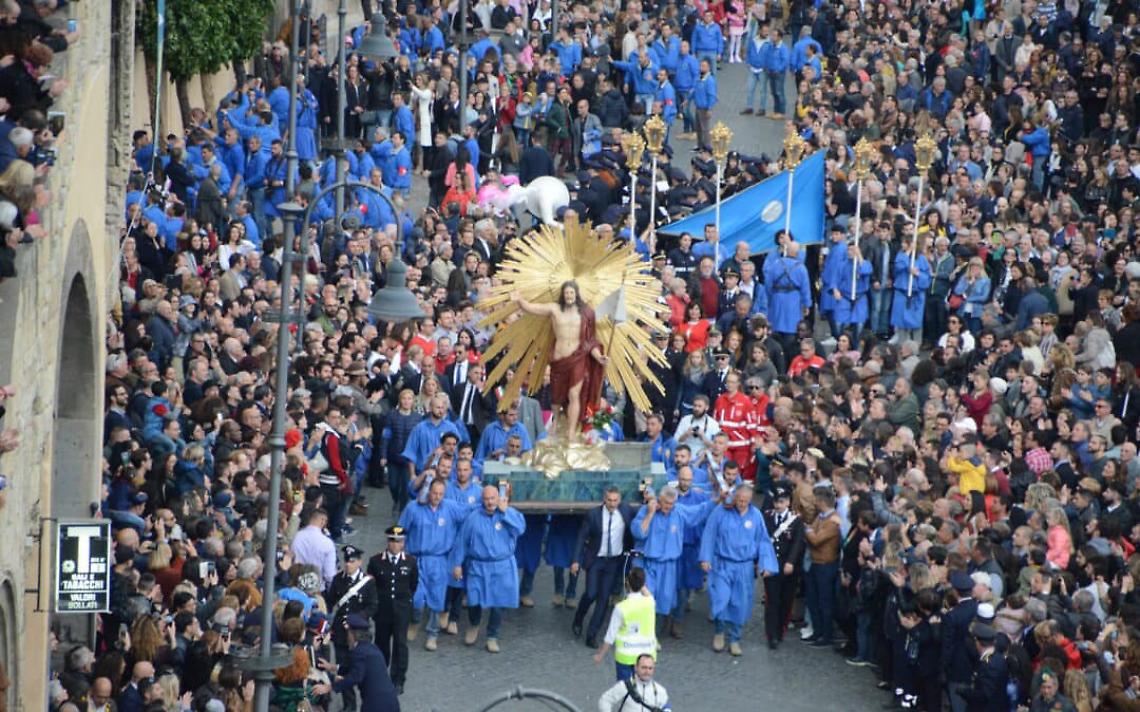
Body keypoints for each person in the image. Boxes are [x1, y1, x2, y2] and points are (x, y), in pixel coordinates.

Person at [512, 280, 608, 438]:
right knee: (556, 398)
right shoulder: (554, 309)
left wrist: (599, 357)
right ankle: (555, 424)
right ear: (563, 295)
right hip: (559, 360)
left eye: (571, 293)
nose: (569, 296)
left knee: (573, 394)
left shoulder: (586, 313)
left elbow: (591, 341)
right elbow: (532, 308)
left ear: (576, 294)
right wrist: (520, 300)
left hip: (578, 359)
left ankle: (571, 430)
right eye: (566, 293)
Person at [699, 483, 777, 655]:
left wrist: (766, 564)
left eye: (745, 501)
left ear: (750, 500)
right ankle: (719, 632)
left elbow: (763, 540)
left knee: (740, 603)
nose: (741, 503)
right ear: (734, 497)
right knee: (720, 598)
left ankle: (735, 638)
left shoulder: (755, 516)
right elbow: (710, 533)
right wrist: (705, 557)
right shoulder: (721, 511)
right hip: (722, 564)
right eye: (739, 499)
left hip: (744, 566)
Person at [450, 483, 526, 652]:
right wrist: (457, 564)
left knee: (498, 603)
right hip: (478, 565)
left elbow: (520, 529)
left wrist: (506, 511)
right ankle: (474, 624)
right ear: (482, 500)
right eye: (486, 499)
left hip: (502, 566)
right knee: (474, 599)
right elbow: (462, 541)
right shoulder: (474, 517)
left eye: (493, 498)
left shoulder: (509, 514)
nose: (490, 502)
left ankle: (492, 636)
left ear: (498, 498)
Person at [632, 485, 716, 637]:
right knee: (647, 598)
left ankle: (656, 632)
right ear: (659, 500)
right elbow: (638, 533)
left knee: (664, 600)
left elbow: (699, 510)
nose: (668, 507)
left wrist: (718, 500)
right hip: (648, 563)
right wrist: (650, 514)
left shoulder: (679, 511)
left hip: (669, 565)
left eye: (672, 504)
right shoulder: (647, 510)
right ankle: (646, 635)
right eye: (665, 503)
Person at [396, 478, 468, 650]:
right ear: (428, 491)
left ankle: (432, 634)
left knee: (437, 599)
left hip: (439, 561)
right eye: (434, 493)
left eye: (441, 494)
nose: (437, 497)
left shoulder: (450, 507)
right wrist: (397, 555)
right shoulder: (413, 507)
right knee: (416, 598)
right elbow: (400, 530)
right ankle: (415, 620)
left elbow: (469, 513)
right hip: (416, 559)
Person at [572, 486, 639, 648]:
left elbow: (639, 521)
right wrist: (576, 560)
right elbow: (582, 538)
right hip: (596, 560)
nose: (612, 503)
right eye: (609, 500)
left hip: (614, 561)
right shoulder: (593, 514)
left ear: (620, 500)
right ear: (604, 499)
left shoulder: (626, 511)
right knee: (591, 593)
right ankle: (579, 617)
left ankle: (592, 635)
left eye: (615, 500)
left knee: (604, 599)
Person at [325, 544, 378, 712]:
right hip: (341, 633)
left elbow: (373, 606)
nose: (348, 564)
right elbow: (330, 602)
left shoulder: (368, 582)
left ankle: (368, 701)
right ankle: (349, 704)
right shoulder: (337, 579)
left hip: (359, 634)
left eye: (352, 561)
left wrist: (357, 618)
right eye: (346, 561)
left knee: (361, 668)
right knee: (342, 667)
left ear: (359, 562)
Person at [367, 525, 418, 696]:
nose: (396, 545)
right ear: (388, 542)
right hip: (382, 611)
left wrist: (405, 603)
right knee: (381, 644)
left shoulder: (410, 562)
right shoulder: (376, 561)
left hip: (401, 611)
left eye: (399, 542)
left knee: (400, 645)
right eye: (393, 541)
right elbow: (371, 586)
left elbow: (413, 585)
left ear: (403, 543)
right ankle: (379, 676)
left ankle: (398, 679)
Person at [314, 614, 401, 712]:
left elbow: (355, 676)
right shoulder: (371, 648)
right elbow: (355, 668)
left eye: (347, 634)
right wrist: (332, 667)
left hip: (375, 705)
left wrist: (330, 687)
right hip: (390, 702)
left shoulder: (358, 652)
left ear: (352, 634)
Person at [592, 567, 657, 681]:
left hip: (626, 656)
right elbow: (646, 592)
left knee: (625, 692)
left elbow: (610, 636)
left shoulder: (621, 608)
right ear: (643, 583)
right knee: (643, 692)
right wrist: (639, 582)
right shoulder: (650, 602)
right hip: (647, 656)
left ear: (627, 583)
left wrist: (600, 655)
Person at [761, 484, 804, 649]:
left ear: (788, 502)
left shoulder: (796, 521)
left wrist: (791, 562)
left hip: (788, 569)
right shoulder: (767, 517)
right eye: (776, 502)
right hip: (771, 567)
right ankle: (771, 635)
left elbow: (798, 543)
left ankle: (780, 630)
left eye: (781, 502)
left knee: (786, 601)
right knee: (772, 601)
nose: (778, 505)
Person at [763, 240, 812, 358]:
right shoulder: (801, 268)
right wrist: (807, 305)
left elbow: (768, 284)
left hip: (777, 300)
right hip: (793, 301)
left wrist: (770, 299)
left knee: (775, 330)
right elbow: (805, 289)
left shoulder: (775, 264)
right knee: (792, 331)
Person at [596, 653, 670, 712]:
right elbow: (605, 700)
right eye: (643, 667)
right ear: (636, 667)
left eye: (650, 668)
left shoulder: (660, 690)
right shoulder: (625, 686)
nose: (647, 671)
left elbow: (666, 707)